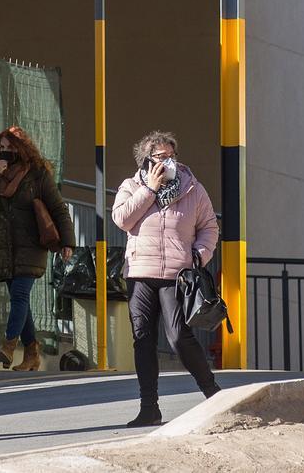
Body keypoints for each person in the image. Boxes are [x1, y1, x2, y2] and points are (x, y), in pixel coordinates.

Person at [112, 130, 220, 428]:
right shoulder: (132, 186)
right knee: (143, 339)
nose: (169, 162)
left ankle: (214, 394)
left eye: (172, 156)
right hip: (140, 273)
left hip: (177, 275)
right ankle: (149, 408)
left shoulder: (192, 188)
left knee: (178, 337)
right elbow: (122, 219)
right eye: (161, 157)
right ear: (147, 160)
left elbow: (209, 227)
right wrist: (150, 189)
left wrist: (199, 255)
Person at [0, 126, 75, 372]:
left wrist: (67, 242)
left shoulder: (37, 174)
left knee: (19, 295)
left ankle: (8, 346)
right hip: (5, 248)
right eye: (2, 148)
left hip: (32, 246)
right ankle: (32, 354)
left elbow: (58, 208)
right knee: (22, 302)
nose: (6, 152)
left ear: (22, 148)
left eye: (11, 147)